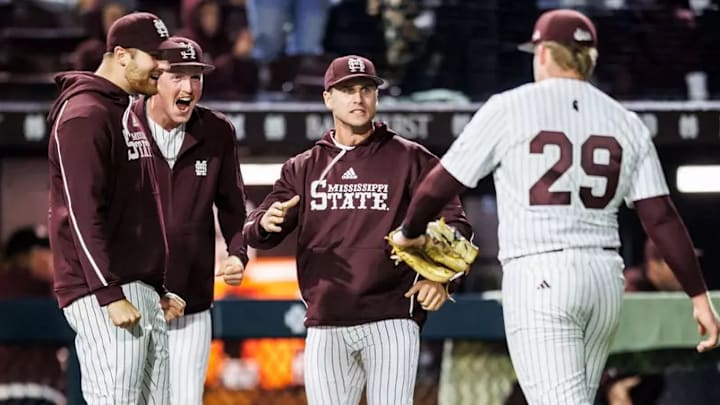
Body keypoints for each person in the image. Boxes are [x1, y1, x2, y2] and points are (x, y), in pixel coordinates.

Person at [391, 9, 720, 405]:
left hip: (539, 273)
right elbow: (660, 217)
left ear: (544, 52)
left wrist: (410, 231)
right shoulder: (625, 120)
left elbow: (438, 185)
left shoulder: (509, 107)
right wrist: (698, 296)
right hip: (604, 278)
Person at [243, 54, 472, 405]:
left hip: (392, 319)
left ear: (377, 97)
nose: (358, 98)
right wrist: (264, 222)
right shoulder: (303, 167)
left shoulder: (411, 158)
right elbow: (258, 229)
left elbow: (457, 225)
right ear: (327, 98)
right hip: (326, 320)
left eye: (366, 89)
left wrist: (443, 280)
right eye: (347, 90)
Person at [47, 12, 186, 404]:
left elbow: (139, 206)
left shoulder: (124, 111)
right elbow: (79, 212)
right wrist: (109, 293)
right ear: (121, 55)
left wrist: (153, 286)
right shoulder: (84, 114)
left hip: (134, 286)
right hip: (102, 289)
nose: (163, 66)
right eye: (154, 55)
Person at [131, 36, 249, 405]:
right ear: (154, 79)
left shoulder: (216, 130)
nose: (189, 87)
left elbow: (232, 204)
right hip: (132, 303)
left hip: (190, 303)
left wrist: (237, 252)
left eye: (196, 77)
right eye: (177, 76)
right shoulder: (121, 124)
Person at [0, 226, 64, 405]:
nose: (53, 260)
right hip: (35, 393)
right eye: (45, 252)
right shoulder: (40, 287)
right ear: (27, 256)